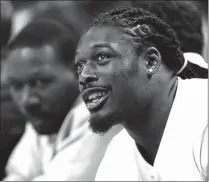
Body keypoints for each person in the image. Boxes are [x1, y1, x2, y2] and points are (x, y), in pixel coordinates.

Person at [75, 7, 208, 181]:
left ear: (150, 61)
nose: (84, 76)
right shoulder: (117, 154)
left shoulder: (203, 113)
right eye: (79, 65)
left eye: (102, 57)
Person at [2, 18, 89, 181]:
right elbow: (18, 174)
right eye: (16, 86)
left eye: (40, 82)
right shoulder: (45, 116)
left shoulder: (101, 112)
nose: (27, 99)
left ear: (78, 72)